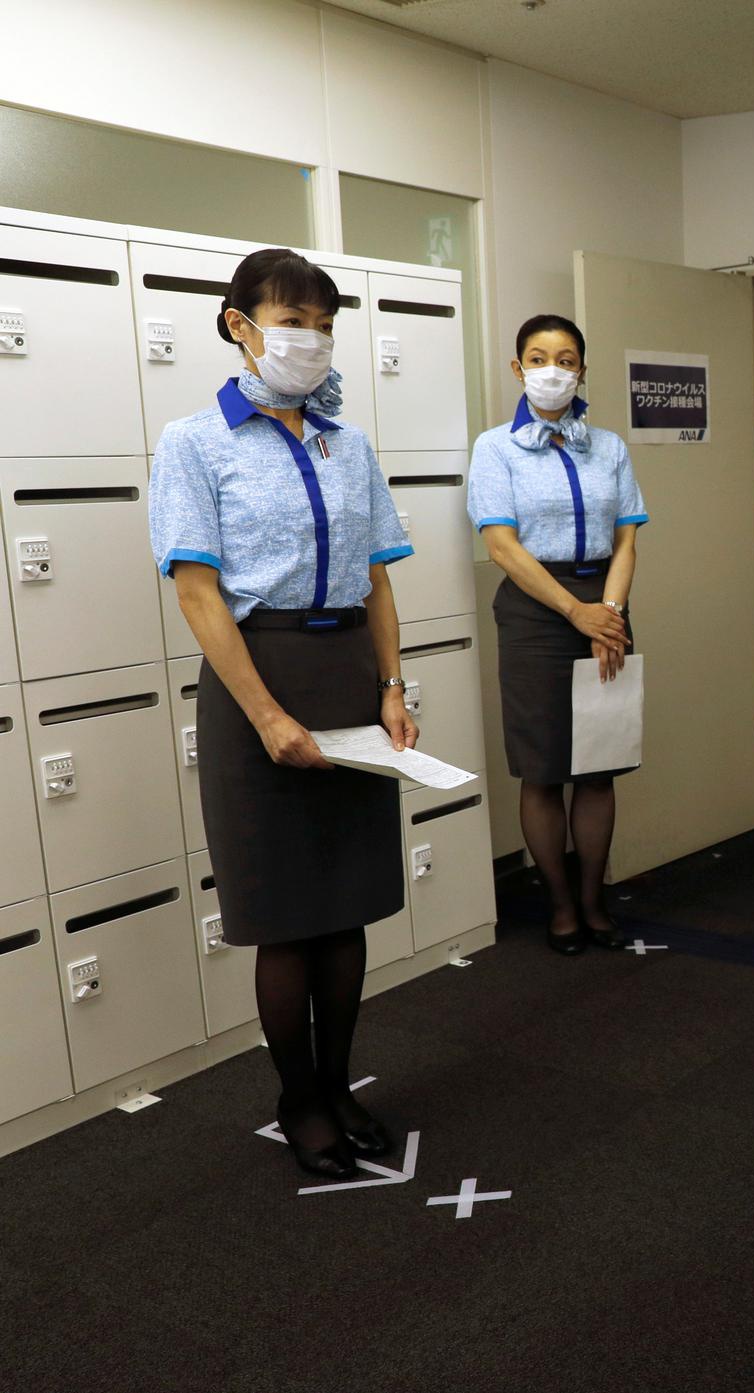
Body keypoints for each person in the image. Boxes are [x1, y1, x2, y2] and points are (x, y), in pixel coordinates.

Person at [148, 248, 417, 1180]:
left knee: (345, 913)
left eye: (321, 322)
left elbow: (379, 577)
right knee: (286, 917)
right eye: (290, 318)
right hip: (254, 680)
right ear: (238, 323)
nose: (307, 337)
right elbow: (198, 595)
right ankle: (299, 1097)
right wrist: (264, 715)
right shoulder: (193, 442)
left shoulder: (351, 443)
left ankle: (340, 1084)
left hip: (346, 673)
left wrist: (391, 685)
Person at [468, 315, 645, 956]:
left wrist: (611, 612)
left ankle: (595, 898)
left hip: (606, 604)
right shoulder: (495, 448)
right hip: (538, 612)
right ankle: (561, 904)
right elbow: (501, 545)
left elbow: (626, 537)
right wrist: (577, 612)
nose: (553, 369)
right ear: (518, 369)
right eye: (538, 358)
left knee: (599, 767)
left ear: (581, 370)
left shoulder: (610, 448)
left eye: (566, 359)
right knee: (543, 770)